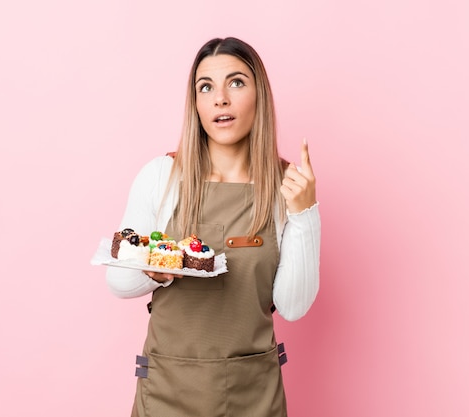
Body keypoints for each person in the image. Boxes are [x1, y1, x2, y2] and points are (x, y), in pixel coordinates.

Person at [105, 37, 321, 417]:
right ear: (197, 105)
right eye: (206, 87)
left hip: (253, 394)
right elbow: (119, 283)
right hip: (167, 391)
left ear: (260, 96)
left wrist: (305, 215)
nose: (220, 98)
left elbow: (293, 306)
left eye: (236, 82)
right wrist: (157, 270)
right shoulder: (160, 177)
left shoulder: (286, 188)